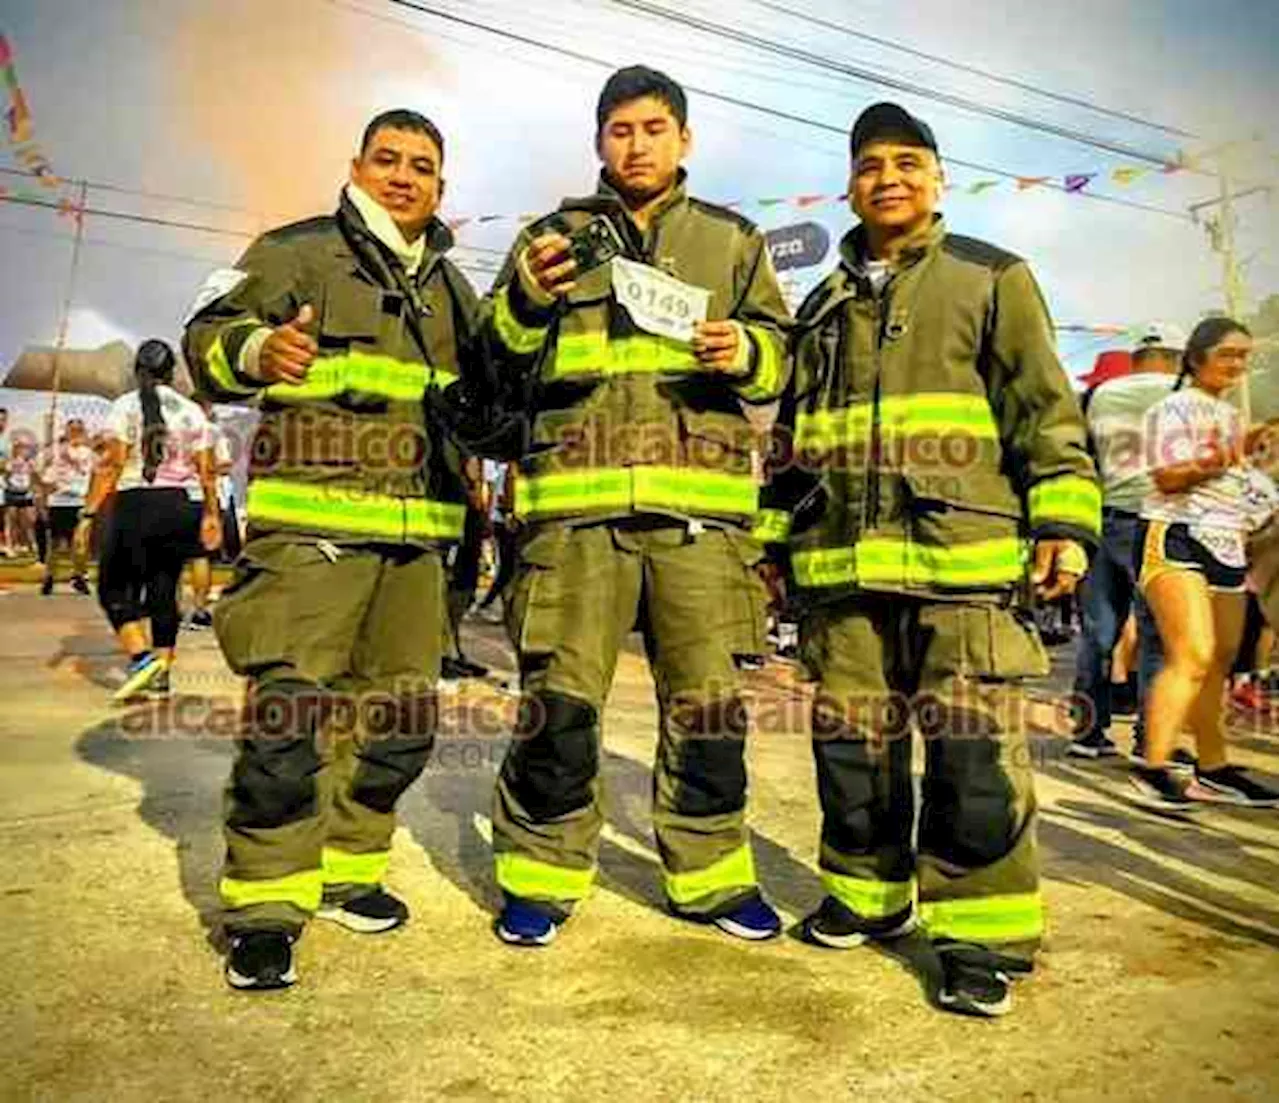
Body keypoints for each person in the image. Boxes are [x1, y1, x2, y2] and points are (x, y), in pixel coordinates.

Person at [762, 102, 1099, 1017]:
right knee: (852, 751)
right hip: (839, 573)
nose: (889, 178)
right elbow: (791, 444)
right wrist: (771, 545)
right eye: (871, 164)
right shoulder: (823, 304)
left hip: (963, 566)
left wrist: (1064, 521)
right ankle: (869, 900)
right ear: (851, 184)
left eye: (908, 162)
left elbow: (1047, 413)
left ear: (939, 178)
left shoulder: (992, 278)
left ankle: (980, 935)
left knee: (973, 756)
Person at [482, 65, 792, 947]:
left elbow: (785, 357)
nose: (637, 144)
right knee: (560, 709)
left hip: (700, 519)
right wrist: (527, 299)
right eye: (620, 130)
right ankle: (539, 878)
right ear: (598, 143)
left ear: (684, 139)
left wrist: (747, 351)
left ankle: (712, 879)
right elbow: (494, 361)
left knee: (708, 711)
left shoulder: (733, 241)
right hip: (573, 518)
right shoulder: (548, 239)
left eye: (654, 128)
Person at [184, 108, 481, 991]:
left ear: (441, 185)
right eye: (387, 159)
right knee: (289, 724)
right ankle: (266, 906)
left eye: (421, 165)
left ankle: (353, 866)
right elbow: (206, 342)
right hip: (311, 536)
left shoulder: (453, 291)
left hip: (418, 545)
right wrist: (257, 349)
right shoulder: (296, 252)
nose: (403, 175)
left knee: (397, 723)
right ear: (356, 164)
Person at [1129, 316, 1280, 811]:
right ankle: (1152, 769)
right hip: (1177, 538)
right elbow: (1169, 478)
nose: (1237, 365)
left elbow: (1243, 490)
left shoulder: (1230, 416)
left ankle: (1212, 770)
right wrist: (1236, 450)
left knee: (1218, 661)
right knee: (1190, 655)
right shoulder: (1172, 409)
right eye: (1228, 354)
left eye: (1244, 356)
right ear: (1196, 357)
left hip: (1228, 546)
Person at [1068, 327, 1185, 758]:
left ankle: (1087, 733)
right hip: (1159, 523)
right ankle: (1151, 741)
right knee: (1158, 633)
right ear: (1174, 357)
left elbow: (1082, 457)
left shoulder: (1097, 397)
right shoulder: (1183, 391)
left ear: (1136, 357)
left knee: (1098, 632)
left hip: (1102, 518)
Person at [85, 340, 222, 701]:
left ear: (137, 371)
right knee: (164, 587)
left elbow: (113, 463)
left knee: (112, 586)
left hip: (137, 503)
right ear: (172, 372)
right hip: (182, 505)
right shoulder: (193, 411)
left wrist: (89, 512)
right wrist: (211, 513)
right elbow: (207, 472)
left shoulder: (124, 407)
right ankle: (162, 672)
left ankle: (142, 658)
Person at [182, 399, 235, 630]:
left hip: (177, 494)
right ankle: (199, 610)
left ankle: (171, 610)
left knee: (173, 556)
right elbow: (225, 464)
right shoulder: (212, 432)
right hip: (204, 496)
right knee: (200, 555)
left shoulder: (174, 429)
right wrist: (207, 467)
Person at [37, 417, 95, 595]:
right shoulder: (56, 452)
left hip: (79, 501)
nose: (75, 433)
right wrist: (46, 495)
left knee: (80, 543)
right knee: (55, 543)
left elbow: (93, 476)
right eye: (72, 429)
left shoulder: (89, 454)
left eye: (79, 429)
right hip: (59, 501)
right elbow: (42, 476)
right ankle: (49, 577)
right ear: (67, 431)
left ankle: (79, 576)